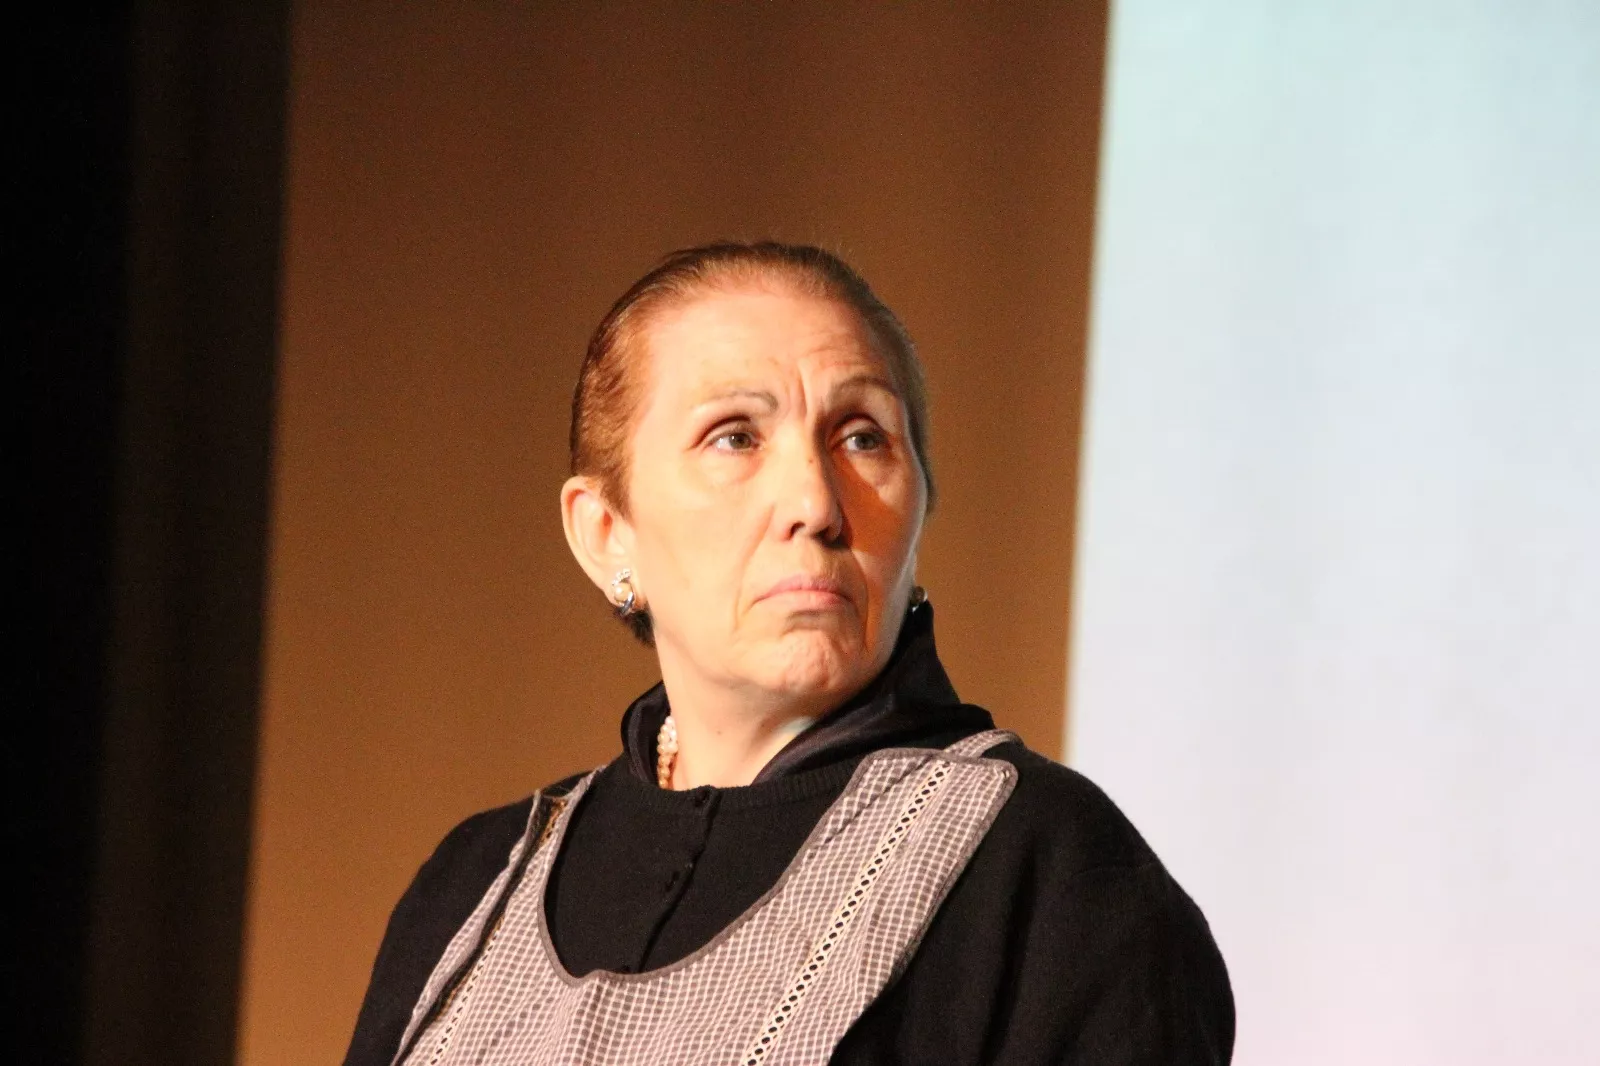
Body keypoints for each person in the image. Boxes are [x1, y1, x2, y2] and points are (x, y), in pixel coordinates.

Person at [343, 241, 1234, 1065]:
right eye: (735, 436)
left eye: (863, 437)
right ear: (607, 530)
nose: (815, 502)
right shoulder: (476, 883)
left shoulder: (1053, 875)